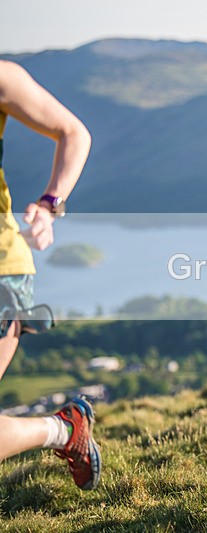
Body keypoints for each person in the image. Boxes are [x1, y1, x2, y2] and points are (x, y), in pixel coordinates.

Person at [0, 60, 100, 490]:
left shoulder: (3, 77)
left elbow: (73, 132)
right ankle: (64, 429)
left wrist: (49, 205)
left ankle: (63, 430)